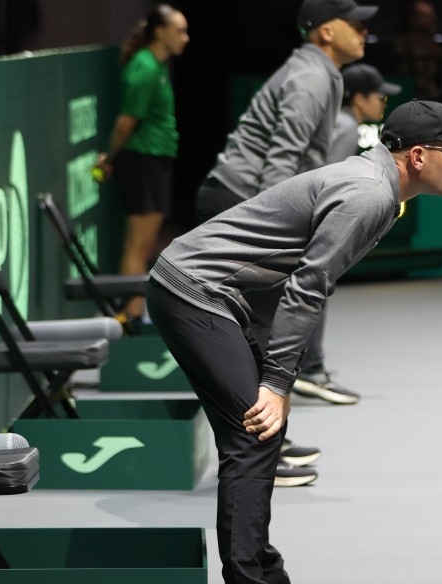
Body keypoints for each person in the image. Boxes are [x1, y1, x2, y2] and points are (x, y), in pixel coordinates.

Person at [147, 99, 442, 584]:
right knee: (254, 437)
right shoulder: (369, 194)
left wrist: (263, 360)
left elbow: (279, 268)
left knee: (257, 437)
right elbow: (307, 288)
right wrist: (278, 381)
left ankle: (266, 581)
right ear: (419, 157)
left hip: (210, 294)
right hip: (195, 293)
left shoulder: (377, 187)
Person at [196, 0, 376, 429]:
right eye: (354, 25)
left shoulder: (319, 72)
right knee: (263, 326)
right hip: (242, 199)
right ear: (326, 32)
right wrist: (269, 232)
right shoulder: (311, 77)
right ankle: (259, 442)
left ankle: (262, 441)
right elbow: (281, 163)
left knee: (266, 323)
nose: (364, 32)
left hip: (238, 196)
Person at [93, 4, 189, 322]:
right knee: (138, 244)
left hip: (155, 158)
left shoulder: (157, 66)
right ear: (160, 32)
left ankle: (133, 309)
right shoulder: (144, 68)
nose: (185, 38)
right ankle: (129, 314)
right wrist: (110, 158)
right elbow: (125, 123)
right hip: (141, 161)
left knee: (146, 243)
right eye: (180, 31)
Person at [328, 63, 402, 162]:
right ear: (360, 99)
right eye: (382, 99)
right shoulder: (347, 126)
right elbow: (327, 173)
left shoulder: (341, 120)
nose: (384, 105)